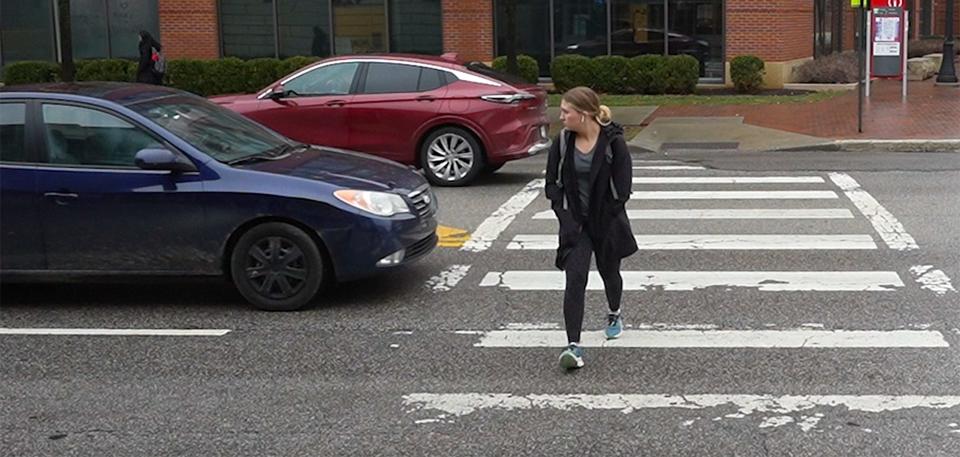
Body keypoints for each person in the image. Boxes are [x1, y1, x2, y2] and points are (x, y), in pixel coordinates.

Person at [544, 86, 638, 370]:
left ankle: (613, 312)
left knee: (610, 273)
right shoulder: (562, 142)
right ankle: (573, 345)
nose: (561, 117)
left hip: (607, 222)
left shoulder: (613, 143)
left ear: (583, 115)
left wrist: (604, 215)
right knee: (575, 280)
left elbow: (623, 189)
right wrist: (565, 215)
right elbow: (551, 184)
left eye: (566, 112)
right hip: (576, 225)